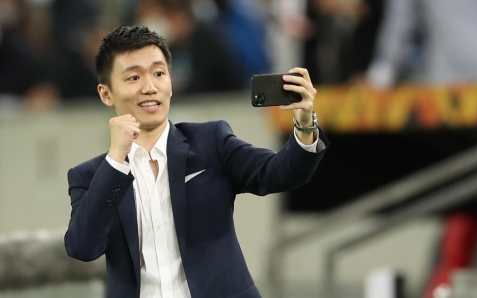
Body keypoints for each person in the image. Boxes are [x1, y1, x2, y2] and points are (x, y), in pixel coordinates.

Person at [63, 26, 328, 298]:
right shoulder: (90, 176)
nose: (150, 87)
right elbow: (83, 247)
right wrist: (116, 161)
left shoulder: (210, 142)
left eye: (159, 73)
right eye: (133, 77)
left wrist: (305, 125)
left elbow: (281, 173)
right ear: (106, 94)